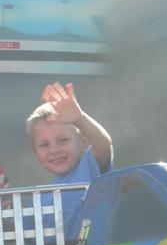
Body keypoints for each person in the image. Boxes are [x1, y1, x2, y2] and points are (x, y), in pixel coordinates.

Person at [26, 82, 113, 235]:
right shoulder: (38, 199)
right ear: (35, 152)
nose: (54, 150)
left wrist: (80, 119)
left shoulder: (89, 168)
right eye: (44, 144)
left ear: (84, 143)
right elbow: (19, 237)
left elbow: (104, 146)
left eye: (63, 140)